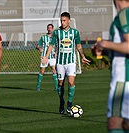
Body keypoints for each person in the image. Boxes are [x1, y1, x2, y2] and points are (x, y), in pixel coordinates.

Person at [42, 12, 90, 114]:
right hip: (60, 62)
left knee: (71, 82)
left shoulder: (75, 32)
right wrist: (46, 57)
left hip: (71, 61)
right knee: (60, 83)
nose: (62, 22)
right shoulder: (56, 32)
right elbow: (51, 45)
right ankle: (61, 101)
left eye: (64, 20)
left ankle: (69, 103)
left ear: (69, 21)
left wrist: (83, 56)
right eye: (61, 20)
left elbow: (78, 46)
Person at [92, 0, 129, 132]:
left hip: (123, 82)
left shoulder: (125, 14)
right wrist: (107, 50)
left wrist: (105, 44)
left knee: (115, 124)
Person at [36, 24, 58, 91]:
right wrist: (39, 49)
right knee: (42, 71)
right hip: (44, 57)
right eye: (48, 28)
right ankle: (38, 86)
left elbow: (58, 46)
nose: (49, 29)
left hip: (52, 57)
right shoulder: (43, 37)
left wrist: (56, 52)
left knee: (54, 70)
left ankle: (56, 87)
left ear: (53, 29)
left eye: (50, 28)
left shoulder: (55, 38)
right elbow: (38, 45)